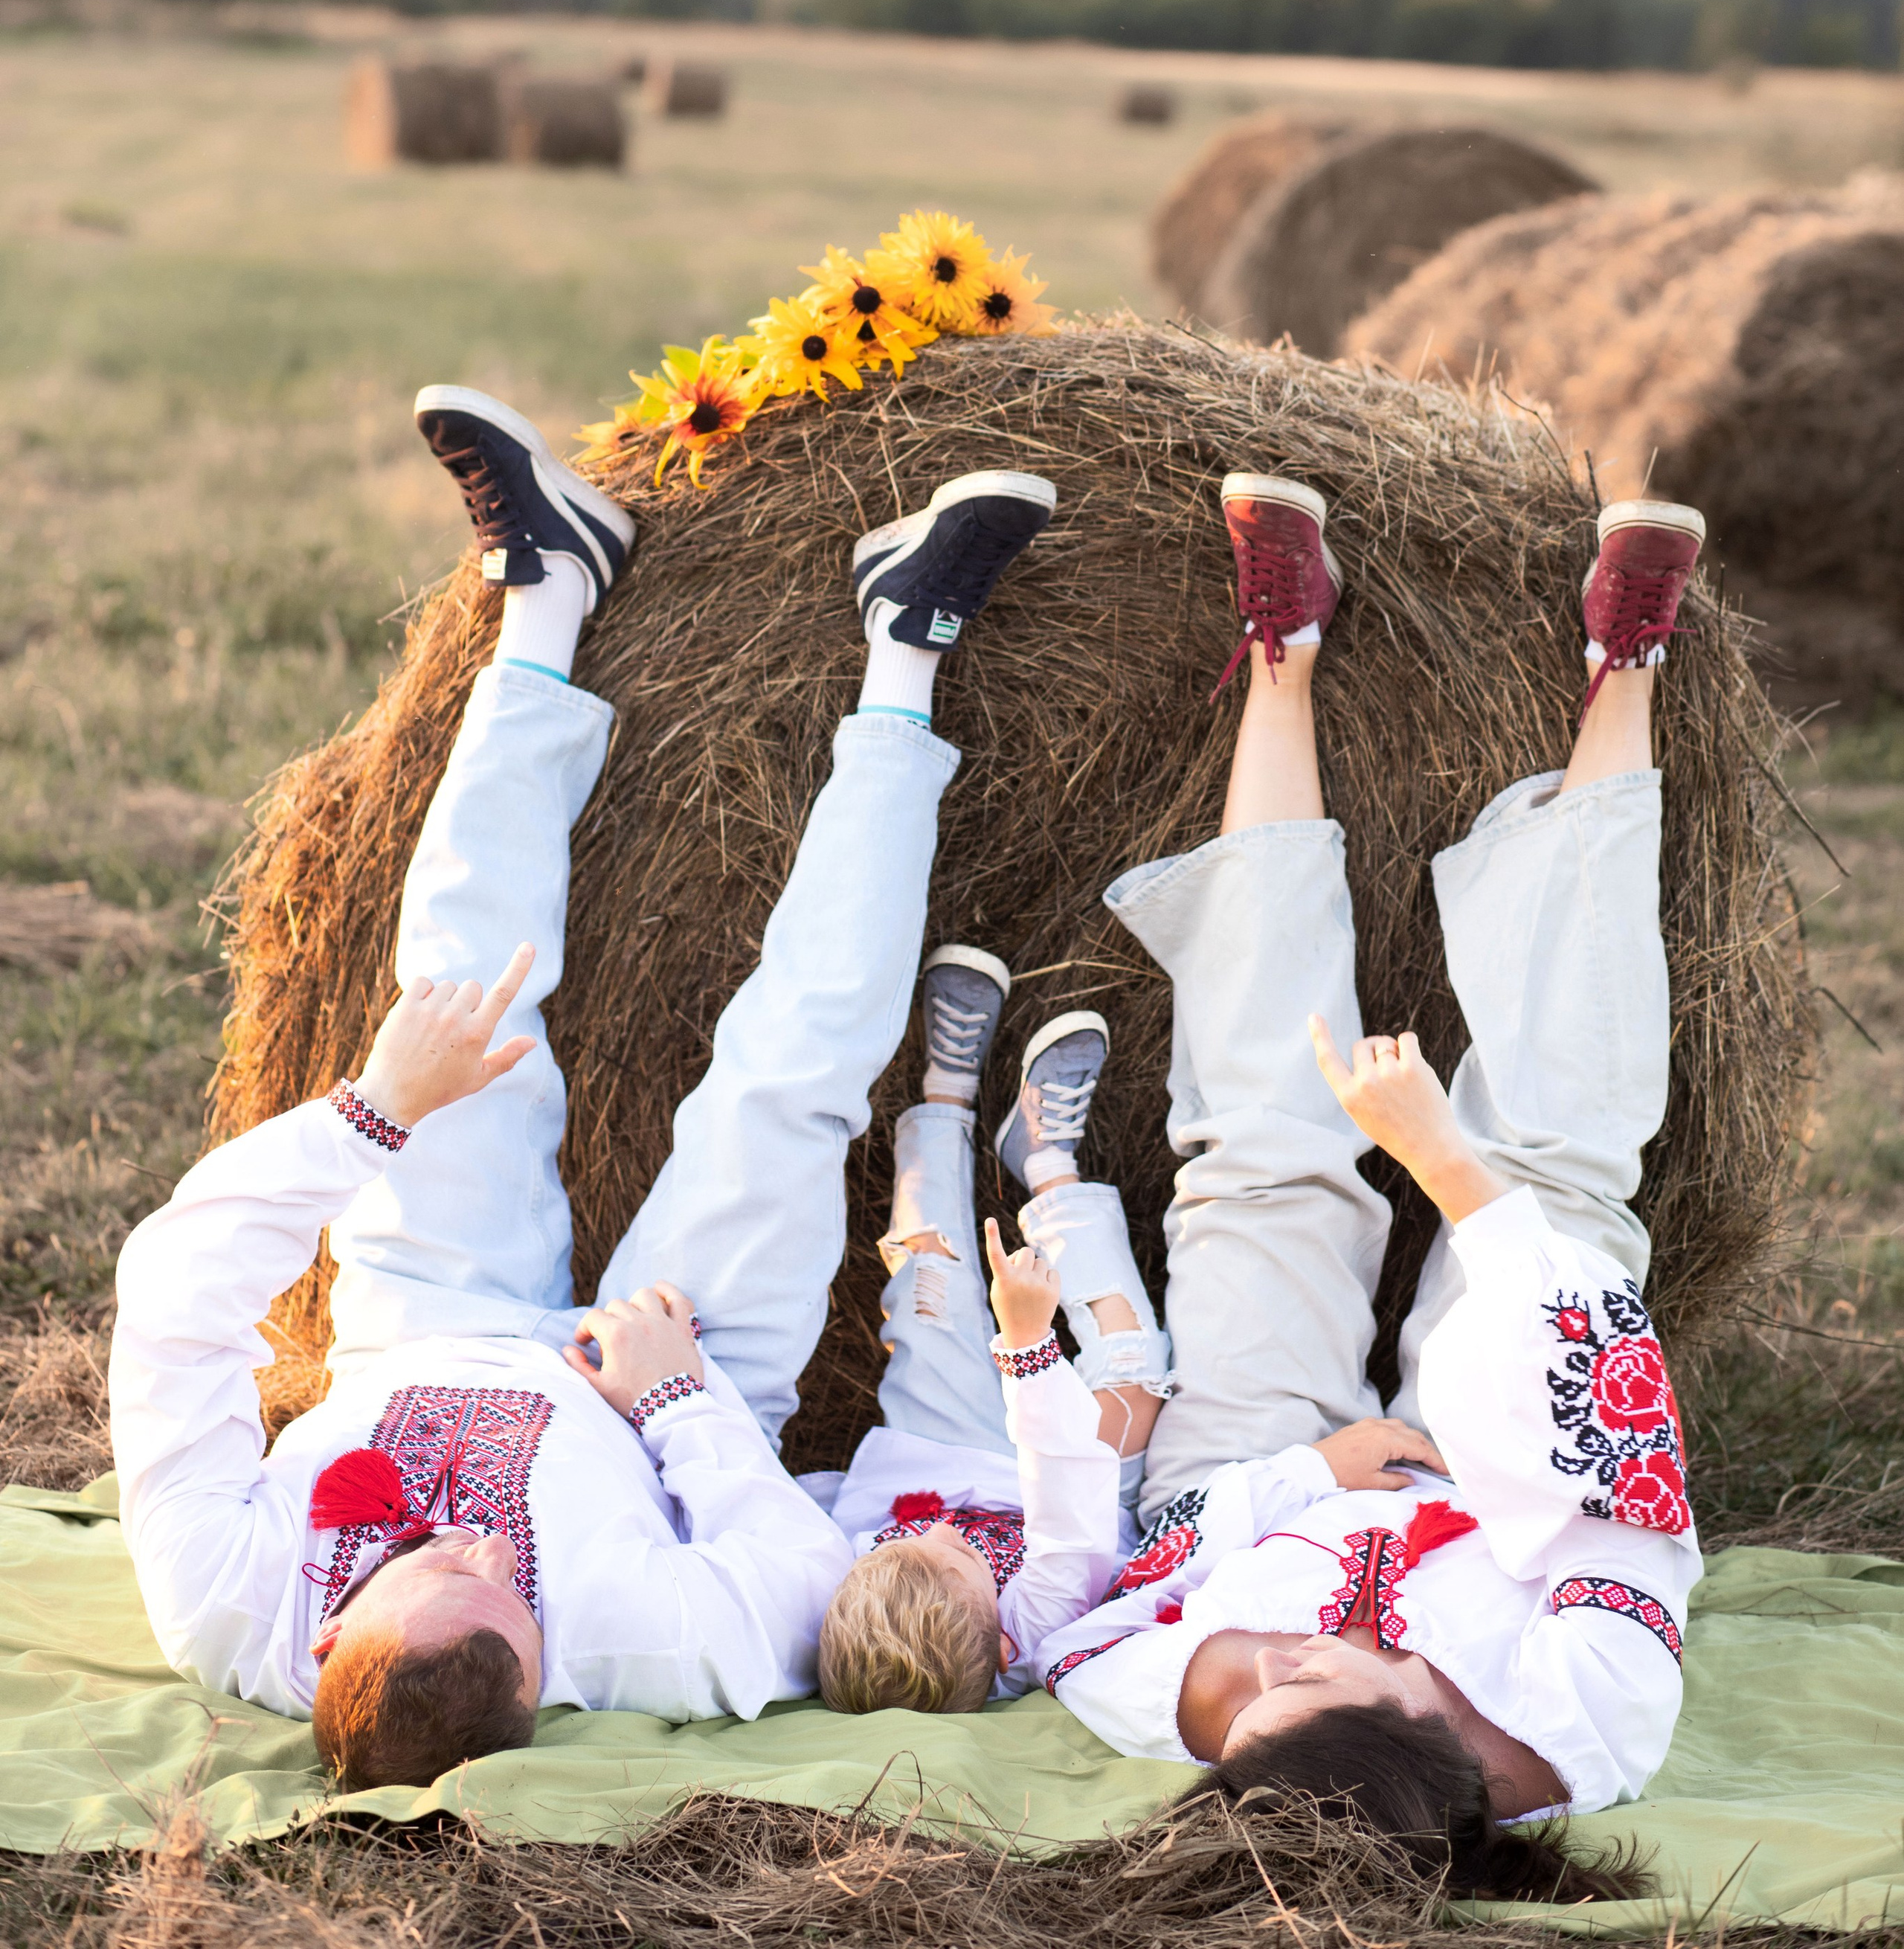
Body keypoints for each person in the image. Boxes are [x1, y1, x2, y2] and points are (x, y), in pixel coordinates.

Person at [108, 391, 1049, 1788]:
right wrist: (683, 1414)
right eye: (514, 1595)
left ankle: (548, 594)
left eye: (444, 1569)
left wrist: (374, 1112)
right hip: (677, 1368)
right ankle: (906, 653)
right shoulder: (642, 1656)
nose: (485, 1545)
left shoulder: (225, 1605)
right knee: (795, 1073)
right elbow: (798, 1580)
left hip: (426, 1306)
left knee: (452, 995)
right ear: (546, 1692)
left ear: (329, 1650)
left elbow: (175, 1296)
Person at [1034, 474, 1708, 1903]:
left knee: (1261, 1169)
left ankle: (1282, 661)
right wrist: (1450, 1171)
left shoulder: (1211, 1724)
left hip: (1248, 1485)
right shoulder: (1593, 1711)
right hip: (1509, 1472)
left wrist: (1297, 1484)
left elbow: (1091, 1625)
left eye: (1238, 1705)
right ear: (1425, 1720)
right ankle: (1625, 671)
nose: (1254, 1665)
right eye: (1294, 1677)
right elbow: (1617, 1450)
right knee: (1564, 1168)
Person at [815, 956, 1171, 1713]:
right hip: (1074, 1476)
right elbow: (1067, 1492)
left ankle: (945, 1095)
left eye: (900, 1542)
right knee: (1133, 1366)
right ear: (1004, 1641)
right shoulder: (1034, 1627)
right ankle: (1047, 1166)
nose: (944, 1527)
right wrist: (1026, 1344)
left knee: (929, 1288)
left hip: (936, 1443)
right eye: (959, 1553)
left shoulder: (847, 1597)